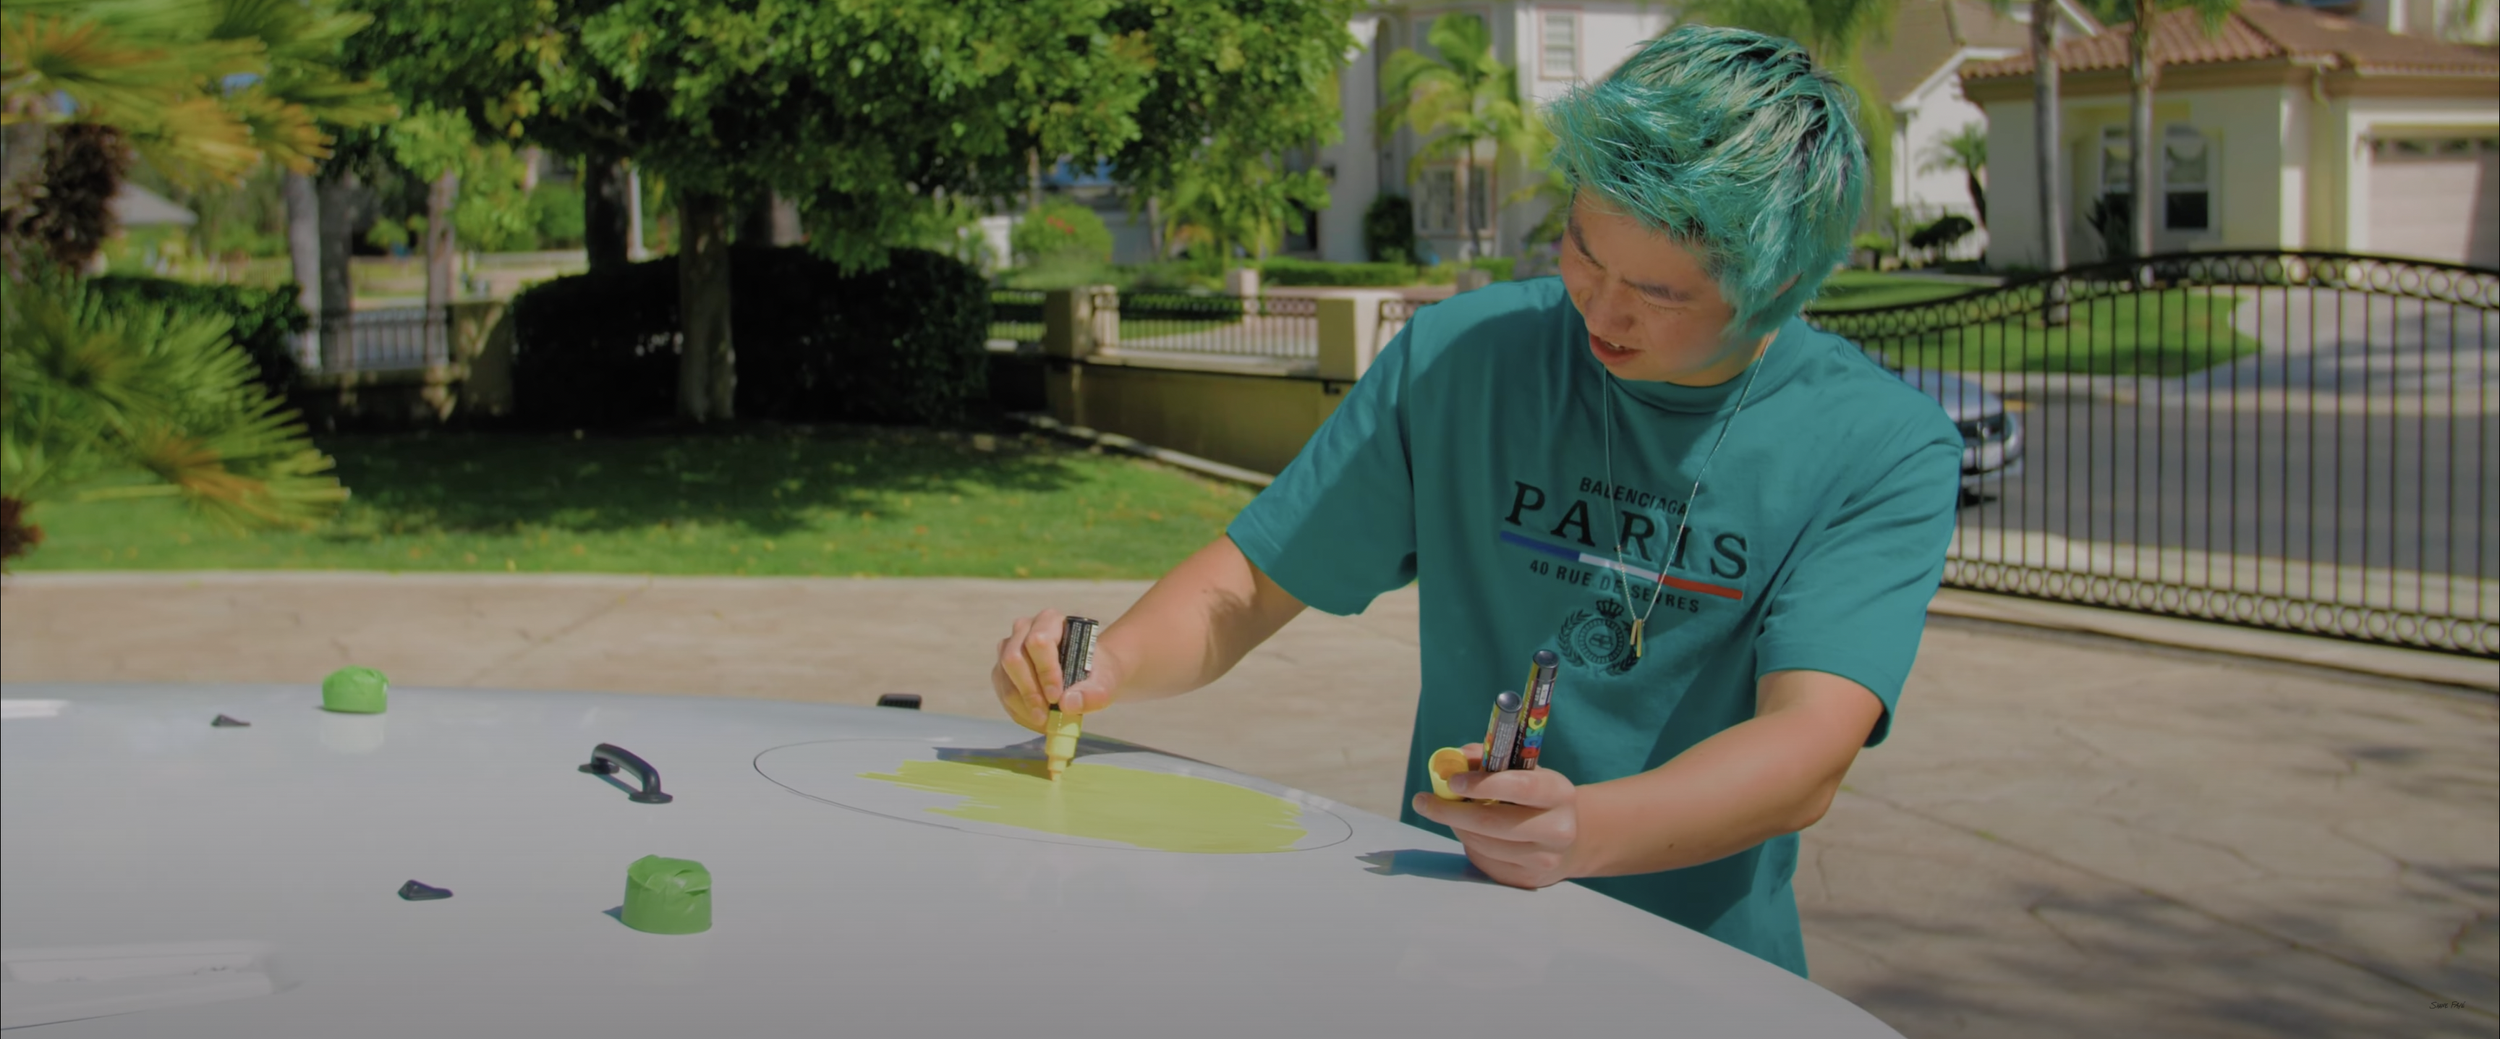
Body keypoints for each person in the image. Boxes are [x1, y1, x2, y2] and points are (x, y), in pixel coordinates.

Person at [990, 25, 1962, 979]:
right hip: (1447, 950)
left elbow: (1806, 748)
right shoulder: (1461, 356)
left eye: (1660, 294)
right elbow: (1251, 581)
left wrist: (1582, 831)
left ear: (1779, 284)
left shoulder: (1881, 445)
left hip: (1703, 977)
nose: (1600, 310)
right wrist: (1104, 662)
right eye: (1584, 250)